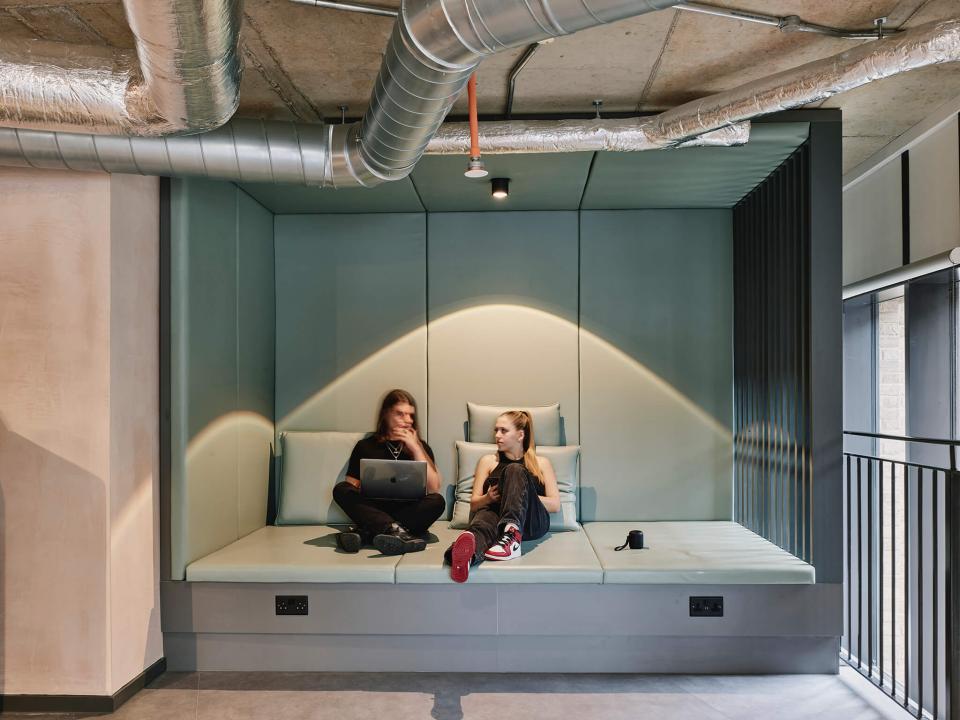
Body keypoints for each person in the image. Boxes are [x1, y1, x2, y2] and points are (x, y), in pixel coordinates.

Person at [445, 410, 560, 582]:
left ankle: (513, 536)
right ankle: (464, 555)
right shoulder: (488, 461)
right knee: (482, 520)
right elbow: (474, 504)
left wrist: (519, 495)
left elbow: (555, 505)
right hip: (495, 520)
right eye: (495, 430)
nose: (497, 435)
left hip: (531, 522)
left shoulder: (541, 463)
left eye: (503, 431)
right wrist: (487, 498)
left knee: (514, 470)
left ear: (520, 435)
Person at [333, 389, 445, 555]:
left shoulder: (421, 447)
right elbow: (351, 485)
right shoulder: (365, 446)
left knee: (437, 501)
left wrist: (415, 448)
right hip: (374, 510)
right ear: (386, 414)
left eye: (410, 415)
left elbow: (434, 487)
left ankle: (367, 533)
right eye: (400, 414)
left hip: (408, 511)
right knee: (341, 489)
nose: (407, 420)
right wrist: (368, 482)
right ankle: (396, 532)